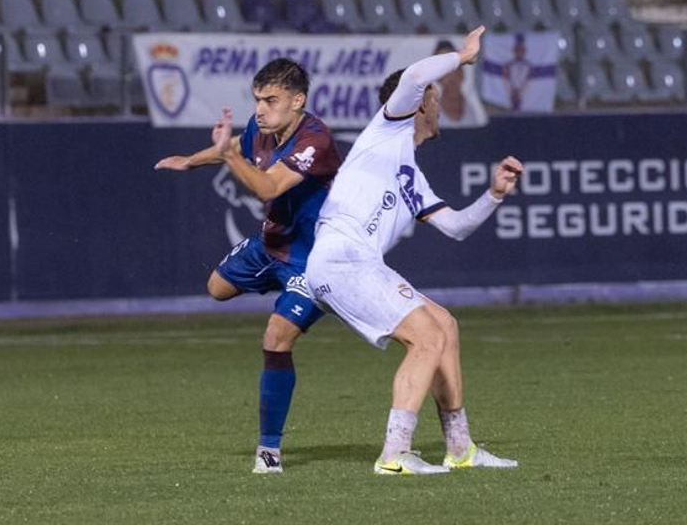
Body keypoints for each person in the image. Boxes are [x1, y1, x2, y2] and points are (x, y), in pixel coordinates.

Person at [302, 27, 524, 475]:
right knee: (426, 337)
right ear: (422, 101)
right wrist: (462, 56)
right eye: (435, 96)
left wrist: (494, 195)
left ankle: (460, 449)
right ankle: (394, 455)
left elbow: (457, 227)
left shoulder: (410, 174)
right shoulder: (390, 126)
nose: (438, 104)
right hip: (340, 258)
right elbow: (419, 73)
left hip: (360, 262)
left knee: (444, 325)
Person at [154, 58, 342, 474]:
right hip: (270, 244)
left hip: (312, 262)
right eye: (257, 99)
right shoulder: (265, 127)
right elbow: (238, 147)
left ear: (298, 100)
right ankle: (279, 288)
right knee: (216, 288)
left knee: (276, 339)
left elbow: (268, 186)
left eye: (270, 100)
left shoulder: (316, 140)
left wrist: (225, 156)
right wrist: (192, 160)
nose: (260, 109)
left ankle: (269, 450)